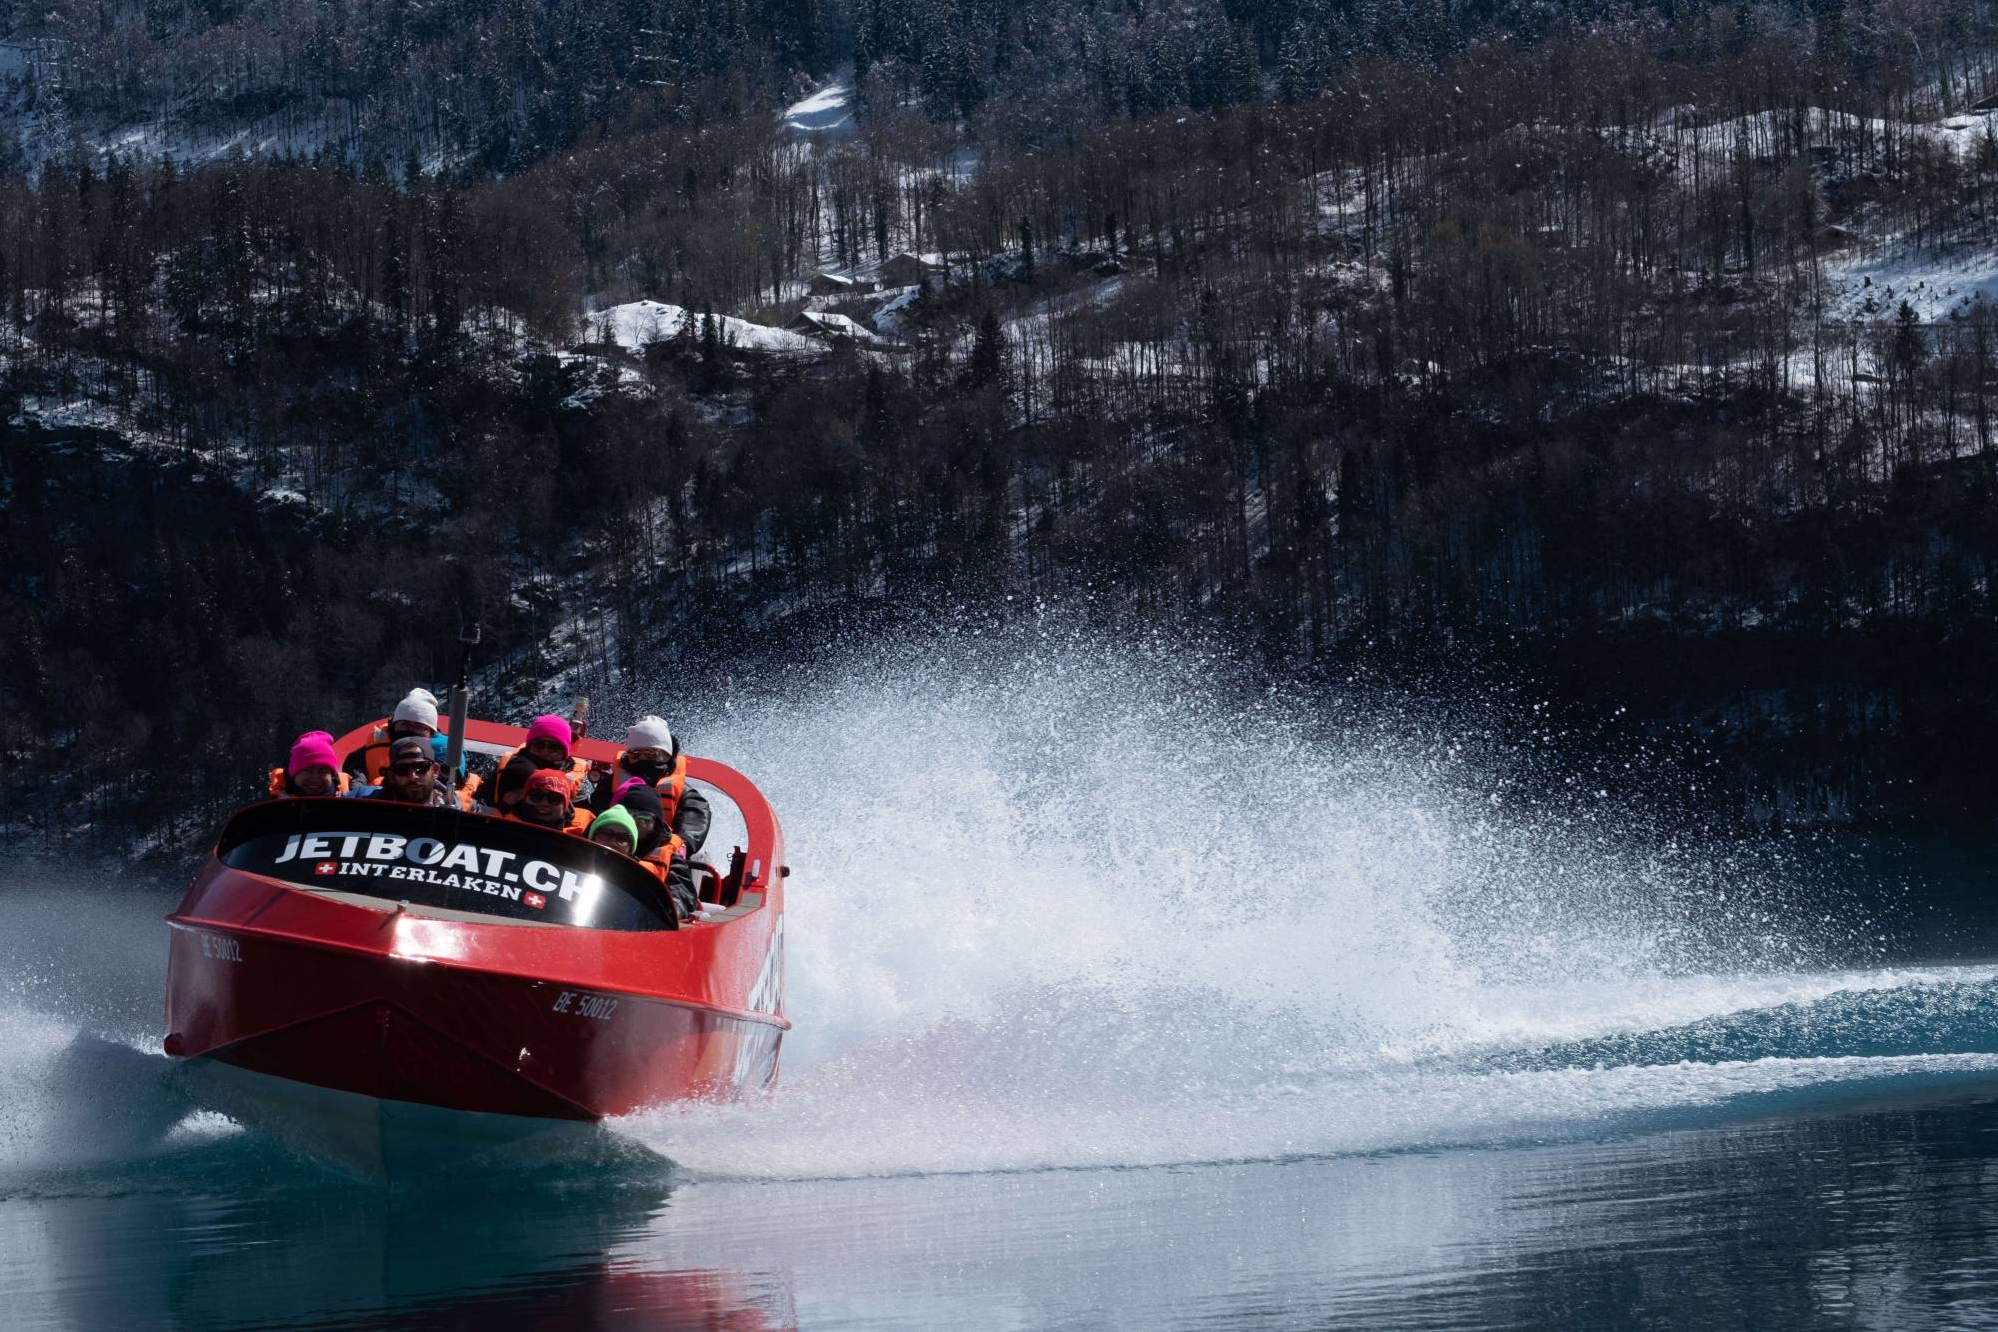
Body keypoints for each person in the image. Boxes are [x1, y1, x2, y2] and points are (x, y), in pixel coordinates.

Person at [588, 715, 710, 858]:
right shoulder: (610, 783)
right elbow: (595, 812)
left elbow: (694, 826)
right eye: (637, 755)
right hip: (611, 849)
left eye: (653, 755)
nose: (644, 761)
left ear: (667, 756)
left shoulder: (686, 795)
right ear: (629, 756)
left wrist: (680, 846)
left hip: (657, 859)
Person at [619, 782, 699, 920]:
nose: (635, 822)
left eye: (644, 818)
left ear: (656, 824)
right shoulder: (602, 838)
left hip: (638, 922)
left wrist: (672, 910)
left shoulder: (670, 858)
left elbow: (681, 894)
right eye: (629, 814)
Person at [342, 689, 441, 787]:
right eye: (404, 725)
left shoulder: (442, 754)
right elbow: (355, 772)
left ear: (431, 733)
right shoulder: (364, 754)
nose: (410, 731)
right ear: (393, 725)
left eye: (419, 727)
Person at [357, 736, 451, 805]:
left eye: (420, 768)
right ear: (391, 775)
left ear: (435, 771)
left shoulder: (453, 815)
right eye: (402, 769)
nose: (413, 776)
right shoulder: (363, 800)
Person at [268, 730, 348, 798]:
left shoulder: (349, 796)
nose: (315, 779)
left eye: (323, 772)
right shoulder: (272, 802)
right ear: (294, 774)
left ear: (332, 776)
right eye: (308, 771)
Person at [510, 768, 591, 832]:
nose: (544, 803)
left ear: (565, 807)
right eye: (536, 796)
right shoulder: (503, 828)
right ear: (524, 798)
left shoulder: (572, 846)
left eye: (554, 799)